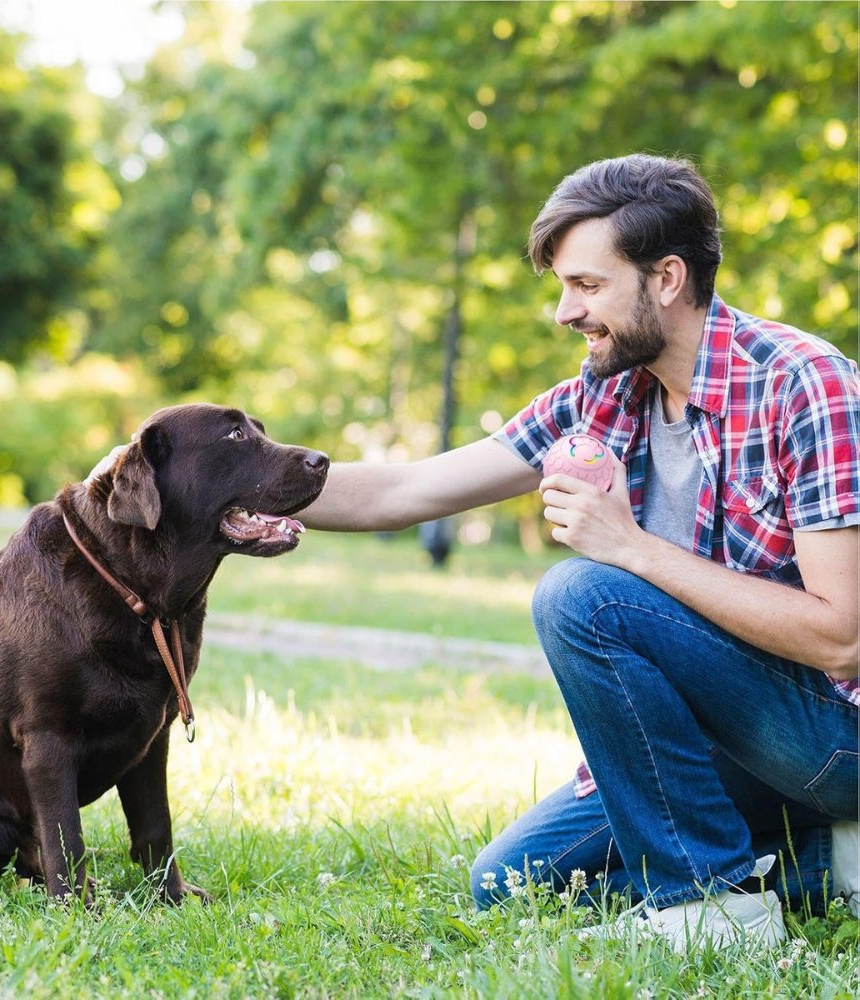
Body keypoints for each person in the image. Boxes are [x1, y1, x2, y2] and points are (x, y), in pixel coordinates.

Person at [295, 154, 859, 950]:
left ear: (666, 277)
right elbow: (405, 492)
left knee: (582, 595)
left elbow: (843, 637)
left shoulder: (805, 385)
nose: (566, 311)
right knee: (509, 884)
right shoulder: (604, 391)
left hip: (834, 736)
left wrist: (629, 548)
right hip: (724, 750)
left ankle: (716, 907)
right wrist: (234, 492)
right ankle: (822, 867)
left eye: (587, 286)